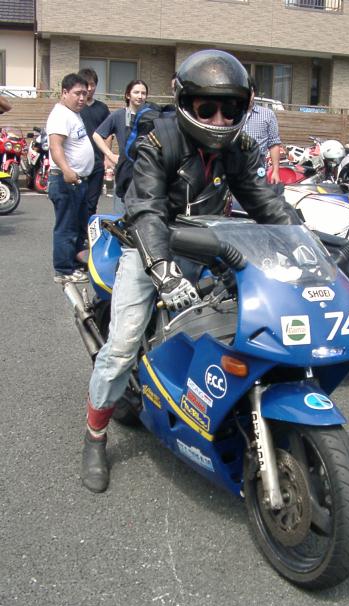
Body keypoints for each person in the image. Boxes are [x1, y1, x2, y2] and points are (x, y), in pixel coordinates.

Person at [81, 49, 299, 493]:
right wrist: (162, 269)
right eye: (207, 108)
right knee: (121, 348)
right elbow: (145, 210)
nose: (219, 119)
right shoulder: (158, 141)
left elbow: (266, 202)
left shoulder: (239, 149)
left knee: (242, 323)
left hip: (209, 247)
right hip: (150, 249)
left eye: (230, 109)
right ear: (185, 103)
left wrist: (304, 244)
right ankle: (95, 436)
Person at [46, 73, 94, 284]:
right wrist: (66, 170)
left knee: (77, 225)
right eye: (77, 93)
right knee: (66, 227)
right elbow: (55, 146)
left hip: (78, 180)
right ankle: (64, 270)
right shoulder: (60, 115)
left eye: (85, 93)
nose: (82, 98)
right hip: (66, 180)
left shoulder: (73, 114)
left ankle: (74, 264)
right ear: (64, 93)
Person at [92, 79, 149, 212]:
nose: (140, 96)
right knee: (121, 213)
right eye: (136, 92)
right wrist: (110, 155)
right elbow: (97, 135)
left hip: (146, 172)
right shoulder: (119, 115)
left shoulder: (151, 116)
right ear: (128, 95)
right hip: (124, 171)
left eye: (143, 93)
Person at [78, 68, 110, 219]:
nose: (90, 88)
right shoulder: (75, 108)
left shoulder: (102, 108)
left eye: (93, 84)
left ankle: (87, 231)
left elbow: (108, 134)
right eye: (87, 84)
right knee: (77, 201)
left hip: (97, 162)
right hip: (78, 162)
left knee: (92, 203)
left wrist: (107, 157)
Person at [242, 78, 282, 184]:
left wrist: (275, 171)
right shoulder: (231, 114)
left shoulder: (268, 115)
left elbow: (274, 144)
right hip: (234, 170)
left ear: (254, 93)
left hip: (258, 171)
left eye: (250, 92)